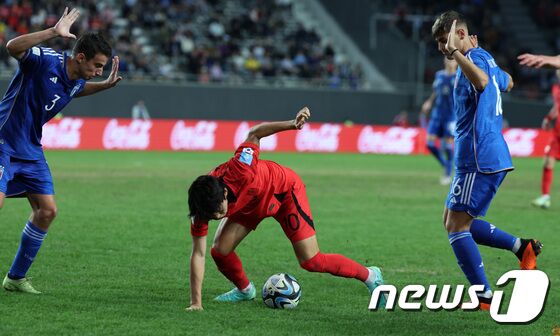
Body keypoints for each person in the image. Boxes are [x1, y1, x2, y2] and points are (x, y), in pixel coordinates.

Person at [185, 107, 385, 311]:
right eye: (212, 216)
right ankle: (245, 291)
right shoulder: (201, 207)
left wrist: (292, 124)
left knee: (311, 261)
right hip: (252, 205)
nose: (217, 218)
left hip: (284, 191)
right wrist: (196, 303)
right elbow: (198, 254)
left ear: (225, 194)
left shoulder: (240, 168)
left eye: (219, 213)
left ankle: (371, 275)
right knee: (220, 251)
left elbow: (254, 133)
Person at [0, 8, 122, 294]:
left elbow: (77, 89)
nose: (99, 70)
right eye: (97, 65)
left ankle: (16, 278)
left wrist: (103, 85)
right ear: (80, 57)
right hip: (3, 141)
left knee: (47, 210)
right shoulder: (44, 61)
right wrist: (52, 33)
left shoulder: (77, 78)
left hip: (30, 149)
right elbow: (12, 47)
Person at [431, 11, 542, 310]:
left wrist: (457, 52)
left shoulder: (474, 62)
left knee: (456, 227)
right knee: (451, 220)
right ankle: (522, 247)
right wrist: (488, 69)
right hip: (484, 156)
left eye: (446, 40)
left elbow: (482, 82)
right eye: (441, 43)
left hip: (478, 158)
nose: (443, 48)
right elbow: (509, 82)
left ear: (462, 35)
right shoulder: (484, 58)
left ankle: (484, 296)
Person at [421, 57, 458, 185]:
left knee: (448, 145)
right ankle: (446, 165)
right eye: (448, 59)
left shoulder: (459, 77)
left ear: (457, 62)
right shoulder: (439, 75)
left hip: (451, 115)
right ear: (444, 61)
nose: (450, 62)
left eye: (453, 59)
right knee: (429, 144)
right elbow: (435, 91)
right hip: (437, 114)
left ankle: (448, 172)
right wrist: (429, 102)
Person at [532, 70, 560, 209]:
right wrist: (548, 118)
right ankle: (545, 197)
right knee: (548, 163)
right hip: (557, 134)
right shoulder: (556, 88)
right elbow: (557, 106)